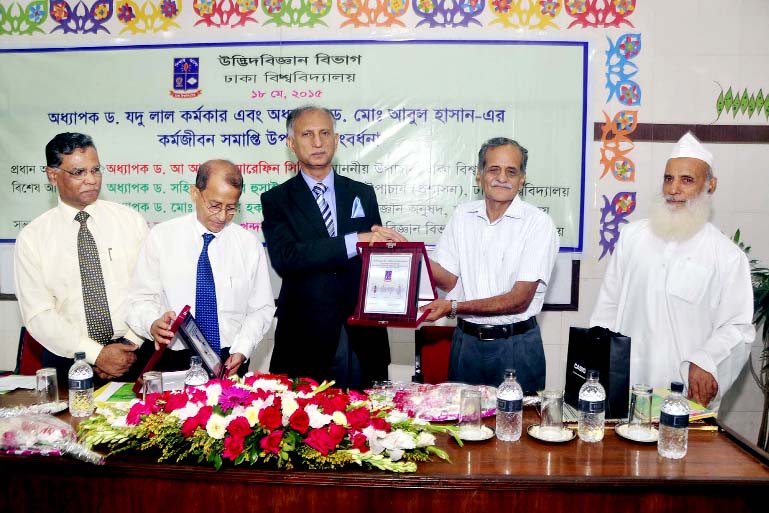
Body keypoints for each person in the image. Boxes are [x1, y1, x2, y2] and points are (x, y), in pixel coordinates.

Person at [590, 132, 754, 410]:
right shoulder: (632, 237)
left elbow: (737, 327)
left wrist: (706, 361)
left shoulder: (726, 255)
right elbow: (608, 305)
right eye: (669, 178)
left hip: (683, 397)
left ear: (710, 185)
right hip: (625, 389)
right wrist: (597, 367)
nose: (673, 189)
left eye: (686, 180)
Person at [261, 105, 406, 388]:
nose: (318, 142)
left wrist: (396, 267)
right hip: (305, 335)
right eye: (308, 134)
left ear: (336, 140)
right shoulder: (277, 200)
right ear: (292, 144)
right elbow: (287, 258)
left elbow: (373, 261)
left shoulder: (362, 193)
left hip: (363, 332)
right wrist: (355, 240)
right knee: (307, 427)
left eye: (325, 133)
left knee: (371, 424)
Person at [420, 137, 559, 392]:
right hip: (466, 344)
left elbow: (520, 299)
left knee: (516, 428)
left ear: (522, 179)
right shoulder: (463, 216)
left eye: (511, 171)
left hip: (515, 346)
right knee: (462, 425)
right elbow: (449, 279)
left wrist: (453, 307)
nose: (502, 178)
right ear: (479, 175)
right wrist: (412, 255)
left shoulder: (538, 224)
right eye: (493, 169)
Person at [14, 132, 150, 383]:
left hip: (135, 354)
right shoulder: (33, 238)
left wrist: (130, 343)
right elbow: (39, 315)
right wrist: (98, 355)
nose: (91, 180)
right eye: (79, 173)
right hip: (69, 362)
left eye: (95, 170)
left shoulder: (130, 222)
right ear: (52, 175)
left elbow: (151, 289)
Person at [126, 159, 275, 376]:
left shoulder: (248, 245)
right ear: (195, 193)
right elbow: (139, 299)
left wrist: (243, 349)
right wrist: (152, 323)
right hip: (173, 357)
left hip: (229, 358)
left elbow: (261, 309)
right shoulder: (162, 237)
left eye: (231, 208)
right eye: (214, 205)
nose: (222, 216)